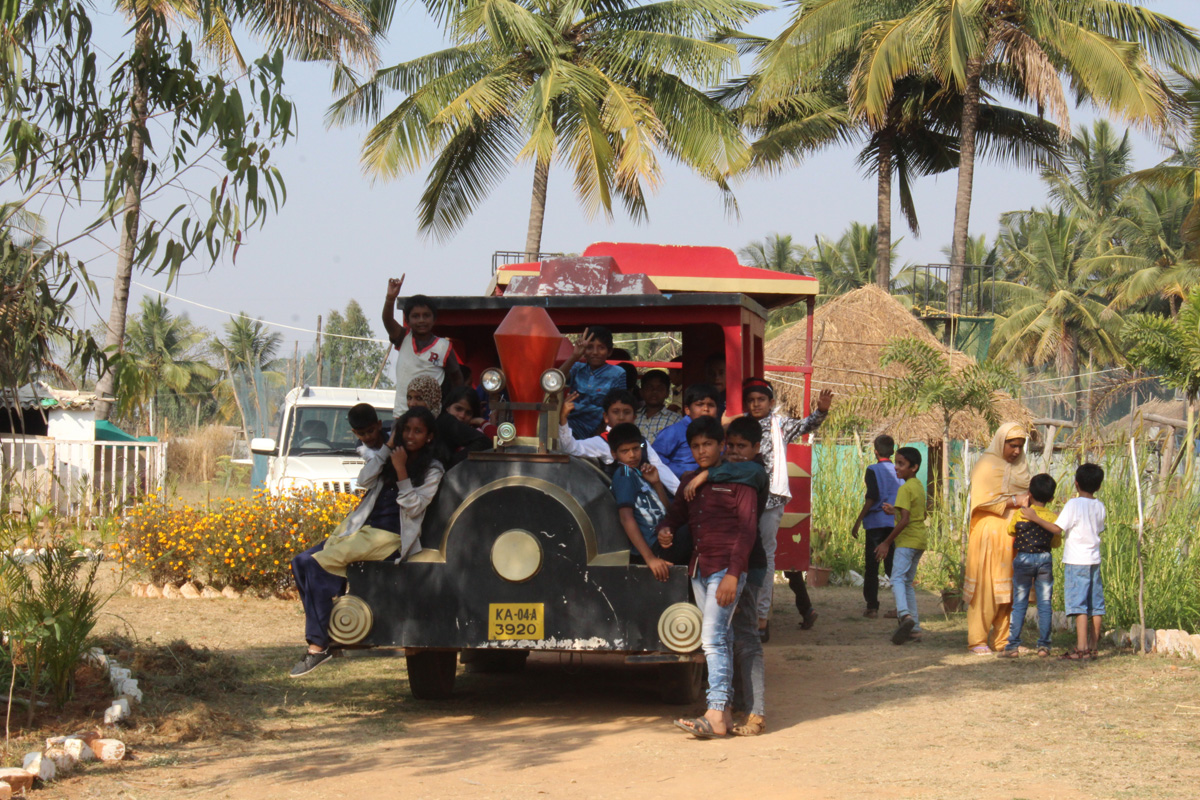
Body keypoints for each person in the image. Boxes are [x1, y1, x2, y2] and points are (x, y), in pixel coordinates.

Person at [289, 405, 445, 677]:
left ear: (429, 436)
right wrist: (388, 450)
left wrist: (401, 471)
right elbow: (363, 480)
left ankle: (318, 645)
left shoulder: (433, 468)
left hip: (390, 536)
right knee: (300, 562)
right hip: (361, 526)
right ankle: (330, 628)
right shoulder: (393, 453)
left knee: (316, 564)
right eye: (406, 429)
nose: (411, 435)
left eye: (418, 431)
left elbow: (415, 508)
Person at [659, 416, 758, 739]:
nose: (702, 450)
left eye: (708, 444)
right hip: (699, 570)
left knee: (712, 638)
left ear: (721, 446)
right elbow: (674, 517)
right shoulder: (689, 480)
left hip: (725, 569)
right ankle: (725, 714)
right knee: (722, 639)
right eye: (696, 446)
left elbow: (747, 532)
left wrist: (733, 574)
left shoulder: (743, 481)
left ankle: (715, 711)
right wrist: (665, 532)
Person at [683, 415, 769, 736]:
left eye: (740, 446)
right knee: (726, 637)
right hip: (730, 562)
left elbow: (745, 472)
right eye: (730, 445)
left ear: (757, 448)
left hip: (747, 563)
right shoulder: (733, 470)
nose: (733, 452)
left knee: (745, 637)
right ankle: (725, 708)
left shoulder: (754, 471)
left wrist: (706, 472)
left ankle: (756, 711)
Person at [744, 377, 833, 635]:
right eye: (751, 400)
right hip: (744, 496)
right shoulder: (741, 425)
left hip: (771, 498)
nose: (756, 404)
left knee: (766, 555)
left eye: (761, 400)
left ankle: (762, 615)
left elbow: (807, 425)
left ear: (771, 402)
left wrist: (822, 411)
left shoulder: (779, 424)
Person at [1019, 463, 1106, 661]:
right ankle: (1093, 646)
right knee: (1096, 605)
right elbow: (1099, 529)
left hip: (1077, 560)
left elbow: (1058, 529)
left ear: (1076, 484)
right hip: (1094, 559)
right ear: (1098, 486)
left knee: (1080, 605)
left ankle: (1081, 648)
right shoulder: (1099, 506)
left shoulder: (1073, 505)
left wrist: (1035, 517)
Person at [964, 422, 1031, 654]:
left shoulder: (1023, 466)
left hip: (1016, 535)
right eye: (1012, 445)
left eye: (1020, 446)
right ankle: (978, 640)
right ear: (1001, 442)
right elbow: (981, 501)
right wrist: (1014, 501)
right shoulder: (986, 465)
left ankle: (1003, 641)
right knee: (986, 587)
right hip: (990, 533)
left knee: (1010, 590)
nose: (1016, 451)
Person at [558, 389, 680, 495]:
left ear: (634, 418)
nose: (621, 417)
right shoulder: (601, 442)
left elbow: (660, 468)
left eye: (626, 412)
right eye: (616, 412)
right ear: (606, 417)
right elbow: (570, 448)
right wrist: (563, 419)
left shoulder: (642, 442)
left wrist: (680, 493)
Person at [997, 473, 1060, 658]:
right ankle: (1044, 646)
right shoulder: (1052, 518)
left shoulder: (1021, 514)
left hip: (1023, 559)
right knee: (1045, 603)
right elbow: (1056, 543)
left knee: (1019, 603)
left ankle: (1013, 646)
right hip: (1044, 559)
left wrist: (1023, 509)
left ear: (1029, 494)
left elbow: (1010, 531)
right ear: (1051, 498)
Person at [382, 277, 463, 418]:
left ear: (434, 319)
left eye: (426, 316)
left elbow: (457, 378)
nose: (421, 320)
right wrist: (390, 298)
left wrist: (451, 406)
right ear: (407, 320)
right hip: (402, 414)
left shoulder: (443, 346)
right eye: (415, 316)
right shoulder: (403, 337)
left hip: (431, 418)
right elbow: (387, 321)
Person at [873, 447, 926, 645]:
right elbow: (919, 514)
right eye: (896, 462)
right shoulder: (918, 486)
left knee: (896, 579)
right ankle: (915, 629)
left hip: (907, 541)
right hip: (920, 540)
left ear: (914, 467)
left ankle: (905, 616)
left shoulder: (904, 488)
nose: (896, 467)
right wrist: (894, 511)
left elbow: (904, 520)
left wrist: (886, 542)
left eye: (901, 464)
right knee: (906, 583)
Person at [607, 423, 674, 580]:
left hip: (664, 538)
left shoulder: (639, 473)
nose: (632, 455)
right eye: (625, 451)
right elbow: (626, 517)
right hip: (652, 546)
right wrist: (650, 558)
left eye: (636, 449)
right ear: (614, 454)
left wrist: (656, 483)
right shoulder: (624, 475)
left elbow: (668, 512)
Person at [850, 435, 901, 618]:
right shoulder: (899, 471)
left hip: (874, 524)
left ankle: (872, 606)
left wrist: (857, 521)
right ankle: (900, 605)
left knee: (872, 566)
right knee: (892, 566)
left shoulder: (872, 470)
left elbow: (871, 497)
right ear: (893, 452)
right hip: (894, 524)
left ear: (875, 452)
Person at [563, 326, 626, 438]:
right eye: (590, 347)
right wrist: (575, 355)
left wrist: (599, 436)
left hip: (599, 431)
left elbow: (617, 406)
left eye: (601, 348)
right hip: (570, 427)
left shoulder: (617, 373)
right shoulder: (577, 368)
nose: (595, 352)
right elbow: (555, 379)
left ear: (609, 351)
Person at [652, 383, 720, 479]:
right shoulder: (675, 431)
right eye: (700, 405)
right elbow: (654, 457)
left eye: (711, 405)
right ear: (687, 410)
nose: (706, 409)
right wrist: (680, 473)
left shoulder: (719, 432)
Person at [635, 370, 681, 444]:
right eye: (649, 388)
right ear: (641, 392)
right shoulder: (633, 417)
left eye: (660, 389)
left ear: (667, 393)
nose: (654, 392)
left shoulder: (675, 420)